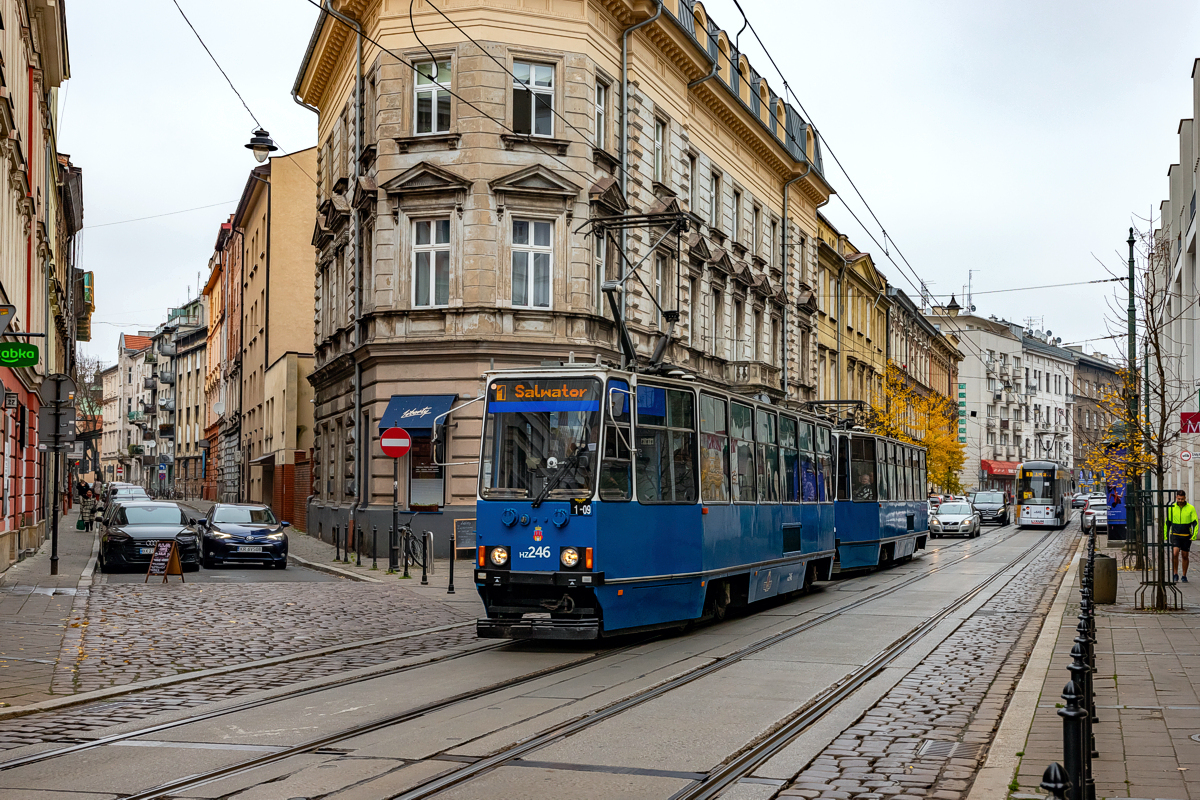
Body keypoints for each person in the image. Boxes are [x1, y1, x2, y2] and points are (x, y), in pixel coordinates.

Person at [1164, 490, 1198, 583]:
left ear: (1185, 498)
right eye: (1179, 499)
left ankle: (1184, 575)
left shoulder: (1190, 508)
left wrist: (1194, 535)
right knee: (1175, 553)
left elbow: (1195, 522)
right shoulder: (1172, 507)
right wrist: (1165, 535)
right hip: (1175, 534)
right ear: (1176, 498)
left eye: (1182, 499)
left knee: (1185, 555)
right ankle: (1175, 573)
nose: (1180, 500)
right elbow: (1167, 522)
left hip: (1186, 535)